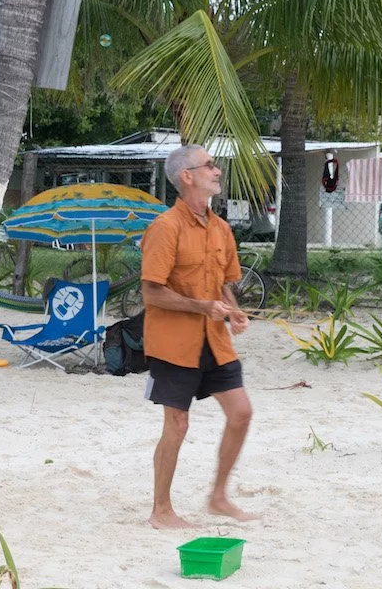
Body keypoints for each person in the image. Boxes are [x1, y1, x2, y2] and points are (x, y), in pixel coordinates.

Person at [140, 144, 257, 530]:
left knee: (241, 413)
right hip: (173, 343)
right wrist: (202, 307)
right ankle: (161, 511)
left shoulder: (221, 228)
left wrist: (233, 311)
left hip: (215, 342)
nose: (217, 170)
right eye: (209, 166)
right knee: (177, 425)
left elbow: (224, 284)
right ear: (186, 177)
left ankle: (218, 497)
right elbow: (151, 292)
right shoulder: (165, 227)